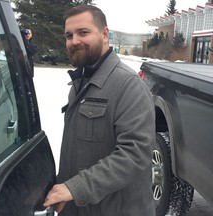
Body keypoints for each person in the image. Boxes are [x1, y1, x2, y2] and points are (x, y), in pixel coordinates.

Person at [43, 5, 156, 216]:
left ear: (105, 34)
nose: (74, 41)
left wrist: (75, 188)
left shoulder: (128, 85)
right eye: (69, 35)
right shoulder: (81, 82)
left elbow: (135, 154)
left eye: (83, 32)